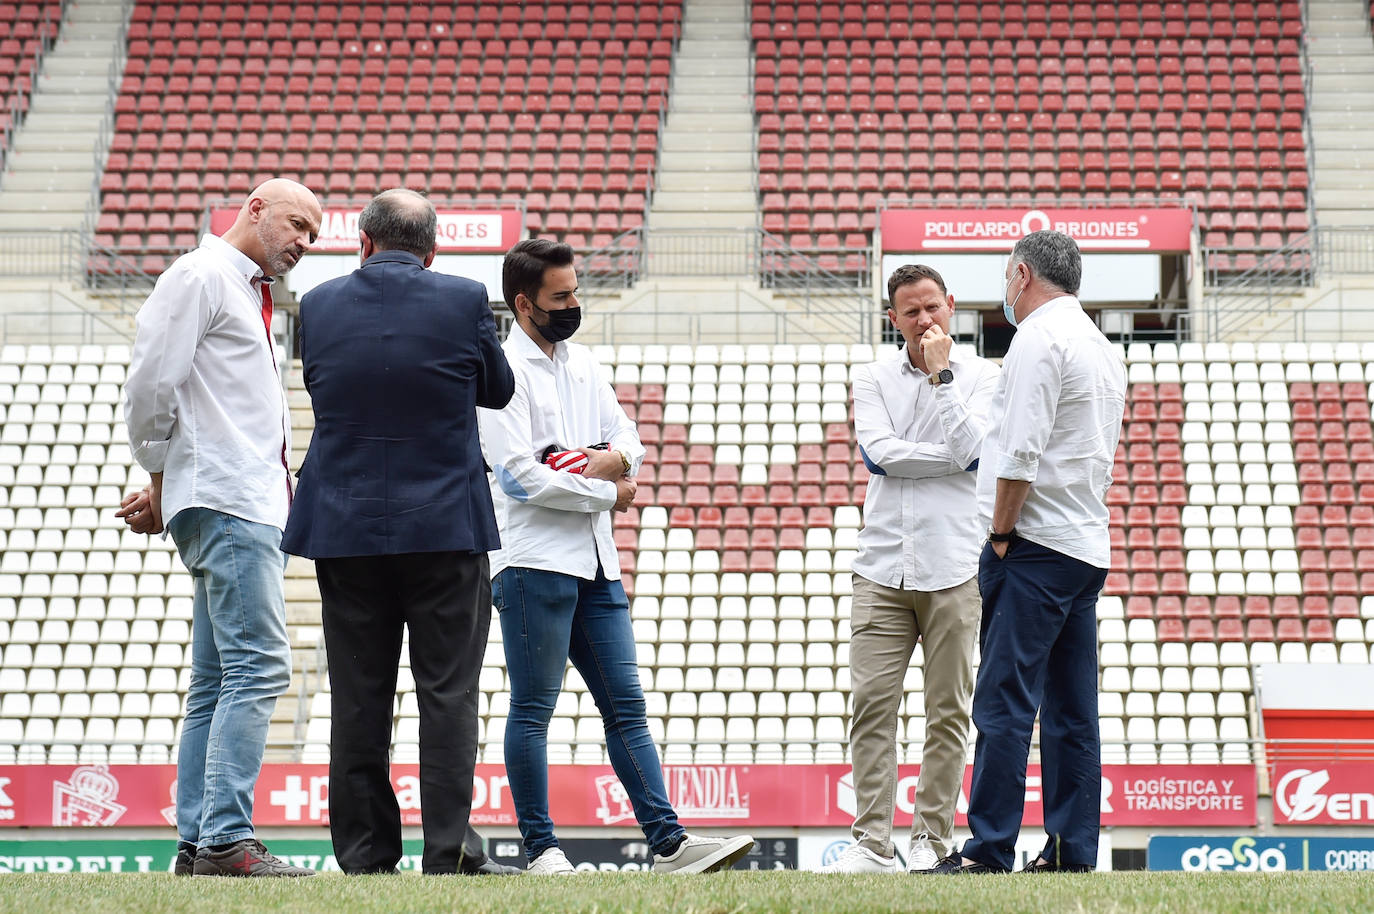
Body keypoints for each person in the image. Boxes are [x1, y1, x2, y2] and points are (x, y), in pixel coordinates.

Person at [477, 238, 754, 875]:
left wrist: (611, 460)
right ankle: (542, 849)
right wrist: (609, 484)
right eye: (561, 296)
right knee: (532, 710)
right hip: (533, 562)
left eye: (575, 291)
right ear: (524, 304)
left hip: (597, 563)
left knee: (626, 708)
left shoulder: (585, 366)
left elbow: (627, 438)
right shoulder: (499, 373)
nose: (575, 303)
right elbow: (521, 478)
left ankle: (669, 844)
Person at [280, 189, 519, 876]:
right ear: (433, 250)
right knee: (447, 694)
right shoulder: (464, 298)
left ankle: (365, 856)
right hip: (444, 526)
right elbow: (497, 390)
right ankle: (448, 854)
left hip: (346, 525)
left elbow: (324, 386)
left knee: (359, 698)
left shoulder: (319, 306)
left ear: (363, 243)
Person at [118, 178, 323, 877]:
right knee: (261, 665)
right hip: (229, 499)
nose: (304, 242)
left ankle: (198, 841)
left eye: (314, 236)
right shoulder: (203, 274)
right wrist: (157, 472)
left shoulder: (236, 287)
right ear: (255, 209)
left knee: (215, 681)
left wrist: (167, 475)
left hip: (240, 496)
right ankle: (227, 842)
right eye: (297, 224)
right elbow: (150, 382)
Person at [931, 230, 1126, 875]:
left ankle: (988, 848)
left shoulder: (1038, 340)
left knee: (1004, 703)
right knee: (1073, 712)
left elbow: (1016, 452)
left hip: (1035, 542)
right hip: (1083, 542)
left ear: (1021, 276)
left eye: (1005, 280)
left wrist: (1001, 535)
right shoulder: (1100, 345)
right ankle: (1073, 848)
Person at [820, 265, 1000, 874]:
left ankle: (931, 838)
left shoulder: (983, 376)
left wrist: (942, 379)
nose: (925, 321)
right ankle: (871, 841)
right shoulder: (872, 377)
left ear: (951, 305)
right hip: (881, 567)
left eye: (932, 308)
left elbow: (975, 451)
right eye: (911, 311)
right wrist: (949, 457)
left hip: (954, 564)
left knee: (948, 710)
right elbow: (879, 453)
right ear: (892, 318)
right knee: (872, 705)